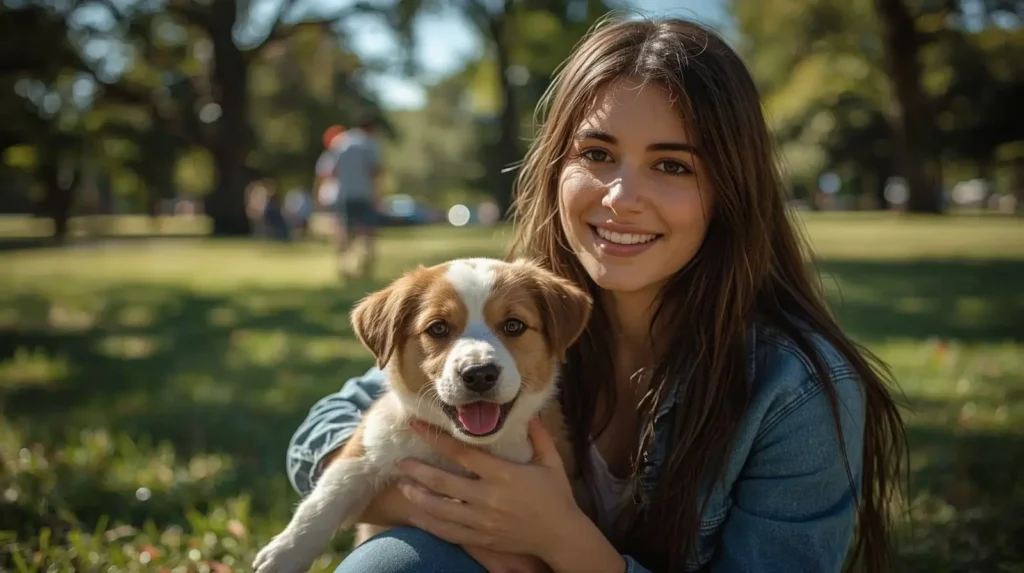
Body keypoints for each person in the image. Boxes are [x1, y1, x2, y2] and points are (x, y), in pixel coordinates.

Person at [285, 16, 908, 573]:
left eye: (672, 165)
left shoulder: (796, 393)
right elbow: (325, 431)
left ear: (731, 189)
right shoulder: (520, 308)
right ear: (557, 166)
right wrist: (477, 517)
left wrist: (558, 537)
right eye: (597, 153)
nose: (619, 197)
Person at [328, 116, 383, 280]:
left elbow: (332, 171)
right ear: (371, 128)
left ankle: (343, 267)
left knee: (345, 232)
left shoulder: (340, 141)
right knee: (367, 232)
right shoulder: (369, 144)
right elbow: (375, 171)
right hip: (364, 194)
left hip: (344, 194)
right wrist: (378, 194)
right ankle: (366, 268)